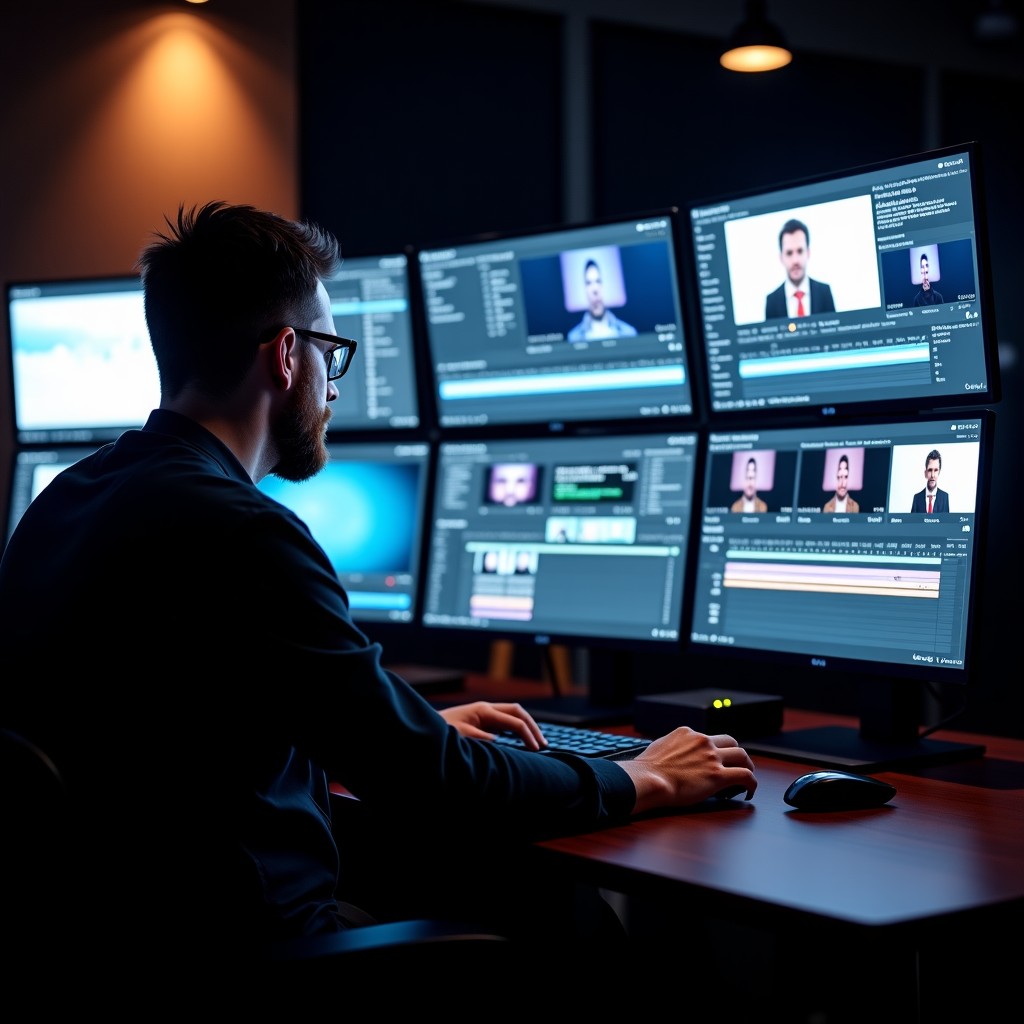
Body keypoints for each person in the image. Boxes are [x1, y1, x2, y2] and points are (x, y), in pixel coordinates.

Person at [0, 202, 757, 962]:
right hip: (255, 950)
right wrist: (640, 778)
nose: (334, 389)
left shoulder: (65, 501)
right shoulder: (245, 533)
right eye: (332, 354)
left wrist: (404, 729)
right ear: (286, 356)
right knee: (557, 912)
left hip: (125, 937)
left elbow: (164, 742)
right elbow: (433, 786)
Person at [765, 218, 835, 320]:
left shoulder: (824, 292)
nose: (795, 260)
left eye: (800, 251)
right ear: (781, 258)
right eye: (789, 253)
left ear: (808, 253)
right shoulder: (772, 301)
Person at [567, 258, 637, 340]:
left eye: (598, 281)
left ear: (603, 286)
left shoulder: (628, 333)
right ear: (584, 290)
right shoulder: (574, 338)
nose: (595, 289)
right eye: (589, 283)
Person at [910, 448, 950, 513]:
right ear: (925, 473)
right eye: (930, 470)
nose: (932, 475)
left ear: (939, 472)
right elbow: (912, 522)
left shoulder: (945, 497)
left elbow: (946, 522)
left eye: (936, 470)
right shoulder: (917, 498)